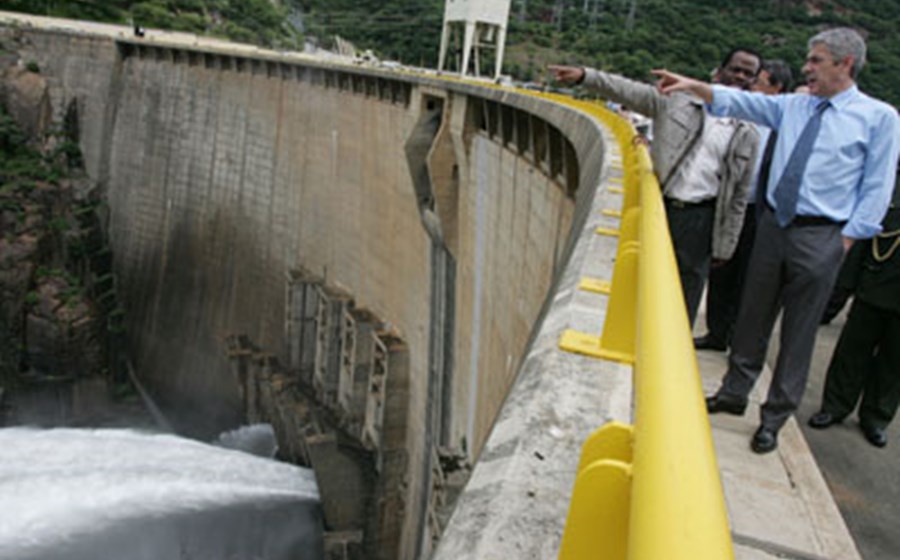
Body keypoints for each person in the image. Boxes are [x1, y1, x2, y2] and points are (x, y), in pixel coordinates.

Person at [653, 27, 900, 453]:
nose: (807, 68)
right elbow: (740, 100)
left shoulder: (879, 118)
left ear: (845, 64)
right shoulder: (794, 107)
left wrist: (846, 239)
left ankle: (774, 416)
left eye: (817, 60)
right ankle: (734, 392)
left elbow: (876, 186)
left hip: (822, 234)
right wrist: (694, 86)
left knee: (799, 332)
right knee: (751, 316)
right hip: (774, 227)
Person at [549, 48, 761, 326]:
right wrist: (585, 76)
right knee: (641, 277)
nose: (740, 77)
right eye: (736, 69)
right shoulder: (676, 102)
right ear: (720, 71)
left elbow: (739, 195)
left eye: (748, 74)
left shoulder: (747, 132)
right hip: (658, 205)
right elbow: (628, 91)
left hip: (701, 218)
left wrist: (726, 245)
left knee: (686, 290)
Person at [696, 60, 794, 351]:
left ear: (776, 88)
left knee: (750, 280)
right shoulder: (746, 115)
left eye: (759, 81)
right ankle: (716, 332)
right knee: (722, 268)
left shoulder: (787, 123)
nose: (752, 86)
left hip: (761, 212)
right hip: (735, 204)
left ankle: (737, 337)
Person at [808, 170, 900, 448]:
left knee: (894, 362)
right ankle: (835, 405)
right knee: (852, 350)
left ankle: (876, 416)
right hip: (875, 283)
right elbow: (866, 232)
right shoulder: (890, 185)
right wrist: (842, 290)